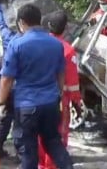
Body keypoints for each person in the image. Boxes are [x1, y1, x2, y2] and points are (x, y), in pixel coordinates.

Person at [0, 3, 73, 169]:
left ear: (22, 22)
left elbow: (7, 79)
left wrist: (1, 103)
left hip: (27, 106)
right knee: (54, 142)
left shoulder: (17, 44)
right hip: (51, 104)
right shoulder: (56, 44)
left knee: (27, 151)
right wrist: (57, 94)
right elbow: (61, 73)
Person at [38, 10, 82, 169]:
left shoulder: (38, 45)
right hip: (59, 100)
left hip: (37, 98)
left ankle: (41, 165)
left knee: (40, 135)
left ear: (48, 25)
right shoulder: (68, 50)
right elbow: (72, 83)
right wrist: (77, 103)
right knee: (57, 136)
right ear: (65, 28)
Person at [0, 0, 21, 158]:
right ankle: (19, 151)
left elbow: (1, 23)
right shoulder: (25, 41)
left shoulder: (7, 36)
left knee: (5, 117)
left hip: (6, 86)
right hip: (20, 87)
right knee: (19, 120)